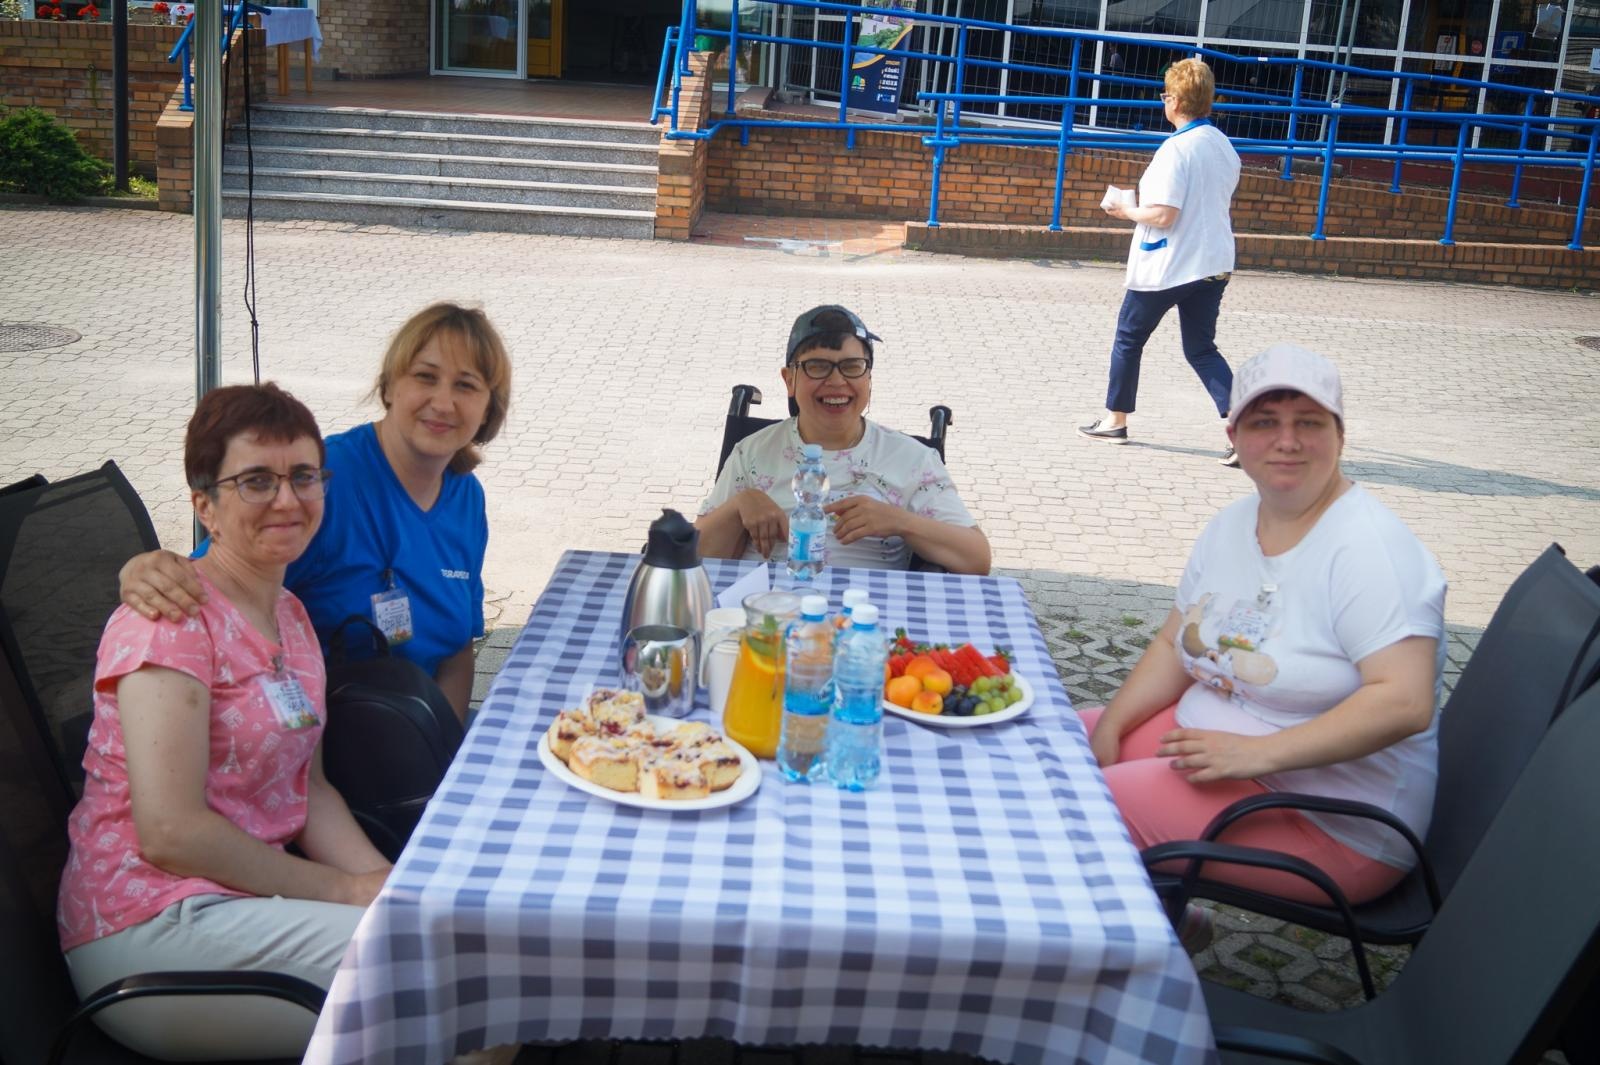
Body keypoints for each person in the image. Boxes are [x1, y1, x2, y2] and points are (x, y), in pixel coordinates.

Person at [57, 384, 392, 1061]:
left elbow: (311, 790)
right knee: (430, 981)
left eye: (303, 476)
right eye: (257, 481)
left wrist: (388, 884)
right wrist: (345, 891)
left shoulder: (292, 615)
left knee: (433, 943)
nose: (288, 499)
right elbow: (171, 831)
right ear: (205, 504)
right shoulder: (168, 617)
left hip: (244, 899)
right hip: (148, 926)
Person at [1080, 343, 1447, 944]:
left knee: (1082, 808)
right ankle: (1164, 925)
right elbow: (1176, 638)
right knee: (1054, 752)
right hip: (1230, 754)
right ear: (1234, 434)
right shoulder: (1231, 526)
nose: (1287, 440)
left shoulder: (1370, 551)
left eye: (1309, 422)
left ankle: (1114, 974)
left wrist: (1255, 756)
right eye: (1264, 422)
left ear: (1340, 434)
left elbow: (1403, 702)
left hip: (1331, 819)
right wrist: (1113, 724)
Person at [118, 302, 513, 724]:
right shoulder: (319, 484)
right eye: (425, 377)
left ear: (489, 408)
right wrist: (146, 568)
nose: (443, 402)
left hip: (417, 739)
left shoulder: (467, 499)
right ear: (389, 386)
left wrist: (443, 751)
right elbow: (214, 580)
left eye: (466, 385)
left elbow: (456, 650)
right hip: (316, 742)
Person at [697, 305, 991, 574]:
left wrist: (901, 522)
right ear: (789, 380)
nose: (837, 381)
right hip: (763, 610)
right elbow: (690, 559)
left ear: (869, 379)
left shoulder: (912, 460)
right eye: (817, 366)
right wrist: (738, 506)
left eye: (852, 366)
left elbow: (977, 559)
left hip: (866, 617)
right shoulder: (753, 452)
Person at [1079, 57, 1243, 467]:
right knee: (1202, 349)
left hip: (1170, 264)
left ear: (1174, 100)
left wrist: (1124, 211)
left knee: (1128, 340)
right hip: (1214, 262)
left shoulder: (1175, 150)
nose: (1163, 101)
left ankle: (1115, 420)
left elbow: (1164, 215)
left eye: (1165, 94)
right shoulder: (1223, 145)